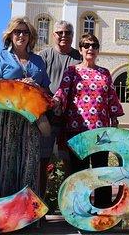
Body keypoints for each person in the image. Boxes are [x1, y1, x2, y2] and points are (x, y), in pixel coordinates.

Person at [0, 17, 50, 197]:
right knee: (1, 165)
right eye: (17, 31)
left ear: (31, 36)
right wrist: (16, 85)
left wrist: (35, 86)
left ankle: (25, 215)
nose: (21, 35)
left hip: (30, 120)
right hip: (3, 120)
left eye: (25, 32)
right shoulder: (0, 57)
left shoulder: (38, 61)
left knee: (28, 163)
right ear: (10, 35)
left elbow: (46, 90)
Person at [53, 33, 124, 208]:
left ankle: (103, 210)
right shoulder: (73, 70)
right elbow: (62, 92)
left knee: (101, 171)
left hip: (101, 132)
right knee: (80, 172)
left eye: (94, 45)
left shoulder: (104, 72)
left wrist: (114, 118)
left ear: (98, 50)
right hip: (77, 130)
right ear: (81, 49)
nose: (90, 48)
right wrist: (54, 102)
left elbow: (111, 98)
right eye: (86, 45)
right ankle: (80, 210)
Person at [39, 20, 82, 197]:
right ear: (53, 35)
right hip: (47, 117)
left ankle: (70, 204)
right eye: (60, 32)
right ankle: (40, 203)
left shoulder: (79, 57)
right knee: (43, 160)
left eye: (68, 32)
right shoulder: (43, 56)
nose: (64, 36)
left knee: (69, 162)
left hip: (71, 118)